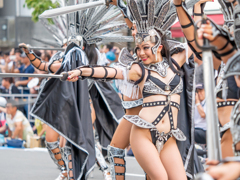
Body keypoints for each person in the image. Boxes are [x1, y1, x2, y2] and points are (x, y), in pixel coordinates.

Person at [67, 0, 205, 179]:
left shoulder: (175, 62)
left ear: (159, 47)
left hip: (169, 137)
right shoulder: (138, 70)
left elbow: (196, 40)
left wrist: (190, 7)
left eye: (145, 48)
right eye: (138, 48)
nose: (140, 53)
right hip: (144, 135)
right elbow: (111, 72)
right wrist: (82, 71)